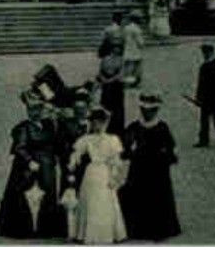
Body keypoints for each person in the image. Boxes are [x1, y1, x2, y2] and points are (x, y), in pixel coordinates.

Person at [0, 92, 65, 239]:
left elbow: (55, 143)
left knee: (49, 195)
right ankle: (21, 229)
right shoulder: (24, 128)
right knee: (22, 195)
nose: (36, 112)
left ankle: (47, 230)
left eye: (38, 109)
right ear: (28, 111)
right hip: (30, 166)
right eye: (32, 110)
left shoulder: (49, 125)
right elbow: (19, 147)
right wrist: (29, 161)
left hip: (47, 166)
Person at [120, 93, 180, 241]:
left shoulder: (162, 127)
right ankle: (137, 230)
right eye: (144, 110)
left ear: (156, 111)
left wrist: (167, 156)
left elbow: (170, 147)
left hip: (157, 169)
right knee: (136, 195)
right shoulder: (134, 127)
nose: (147, 113)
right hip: (139, 168)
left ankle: (158, 230)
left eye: (151, 110)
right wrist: (129, 151)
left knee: (157, 197)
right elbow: (124, 147)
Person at [69, 107, 127, 244]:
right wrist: (73, 161)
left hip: (104, 172)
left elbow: (116, 160)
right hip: (91, 172)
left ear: (106, 123)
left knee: (105, 201)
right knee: (89, 200)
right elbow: (76, 152)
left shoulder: (112, 140)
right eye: (94, 122)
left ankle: (108, 233)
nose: (98, 126)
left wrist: (114, 176)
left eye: (101, 122)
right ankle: (86, 234)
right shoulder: (87, 139)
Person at [193, 42, 215, 148]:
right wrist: (198, 98)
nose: (205, 54)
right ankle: (203, 140)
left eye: (207, 52)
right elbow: (200, 84)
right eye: (204, 52)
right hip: (205, 98)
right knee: (204, 121)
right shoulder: (203, 66)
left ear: (211, 52)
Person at [97, 53, 127, 137]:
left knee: (116, 114)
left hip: (115, 90)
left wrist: (106, 80)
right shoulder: (111, 59)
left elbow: (121, 75)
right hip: (109, 90)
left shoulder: (118, 59)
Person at [122, 13, 146, 87]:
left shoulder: (126, 28)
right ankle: (133, 82)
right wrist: (142, 45)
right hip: (135, 50)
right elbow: (140, 42)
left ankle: (126, 82)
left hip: (127, 49)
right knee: (135, 67)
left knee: (128, 67)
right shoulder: (137, 29)